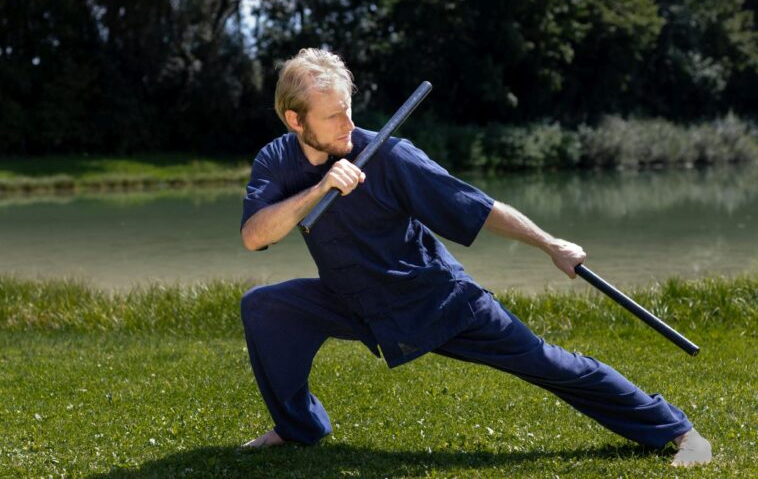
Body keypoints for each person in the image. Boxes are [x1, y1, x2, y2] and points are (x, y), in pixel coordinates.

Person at [238, 48, 712, 467]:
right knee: (264, 308)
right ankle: (299, 426)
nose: (348, 125)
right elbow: (255, 237)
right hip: (354, 300)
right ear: (295, 120)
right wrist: (320, 189)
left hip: (436, 302)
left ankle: (680, 432)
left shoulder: (390, 156)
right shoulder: (276, 161)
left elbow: (477, 207)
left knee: (548, 363)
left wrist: (551, 245)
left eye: (348, 111)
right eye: (332, 117)